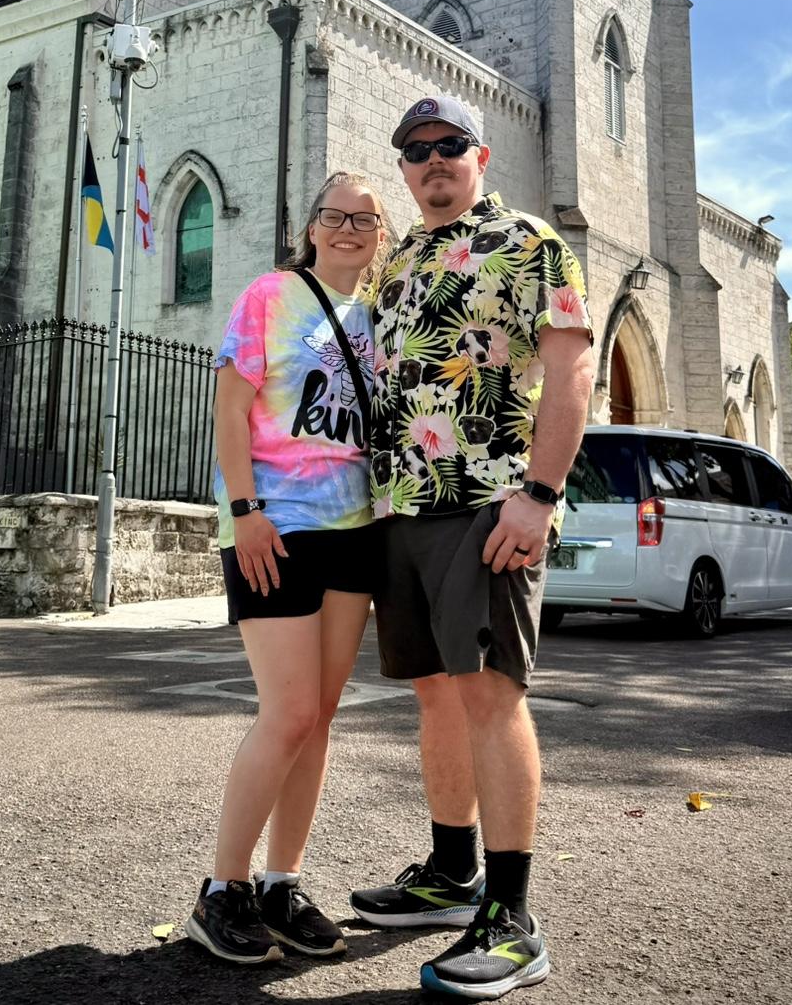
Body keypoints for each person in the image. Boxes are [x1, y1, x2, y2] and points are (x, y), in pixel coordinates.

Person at [352, 95, 594, 1000]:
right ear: (403, 168)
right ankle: (451, 872)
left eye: (449, 144)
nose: (433, 160)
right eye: (416, 150)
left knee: (491, 696)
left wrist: (540, 495)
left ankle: (513, 917)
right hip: (399, 509)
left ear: (479, 155)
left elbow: (571, 367)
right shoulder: (397, 259)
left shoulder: (531, 243)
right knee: (436, 696)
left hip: (489, 506)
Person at [186, 172, 388, 966]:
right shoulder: (270, 296)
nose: (347, 230)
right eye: (334, 216)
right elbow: (230, 409)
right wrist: (243, 511)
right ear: (312, 228)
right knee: (289, 712)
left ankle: (281, 884)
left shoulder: (377, 318)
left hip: (355, 528)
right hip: (275, 525)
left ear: (380, 237)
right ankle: (221, 890)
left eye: (364, 221)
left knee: (320, 717)